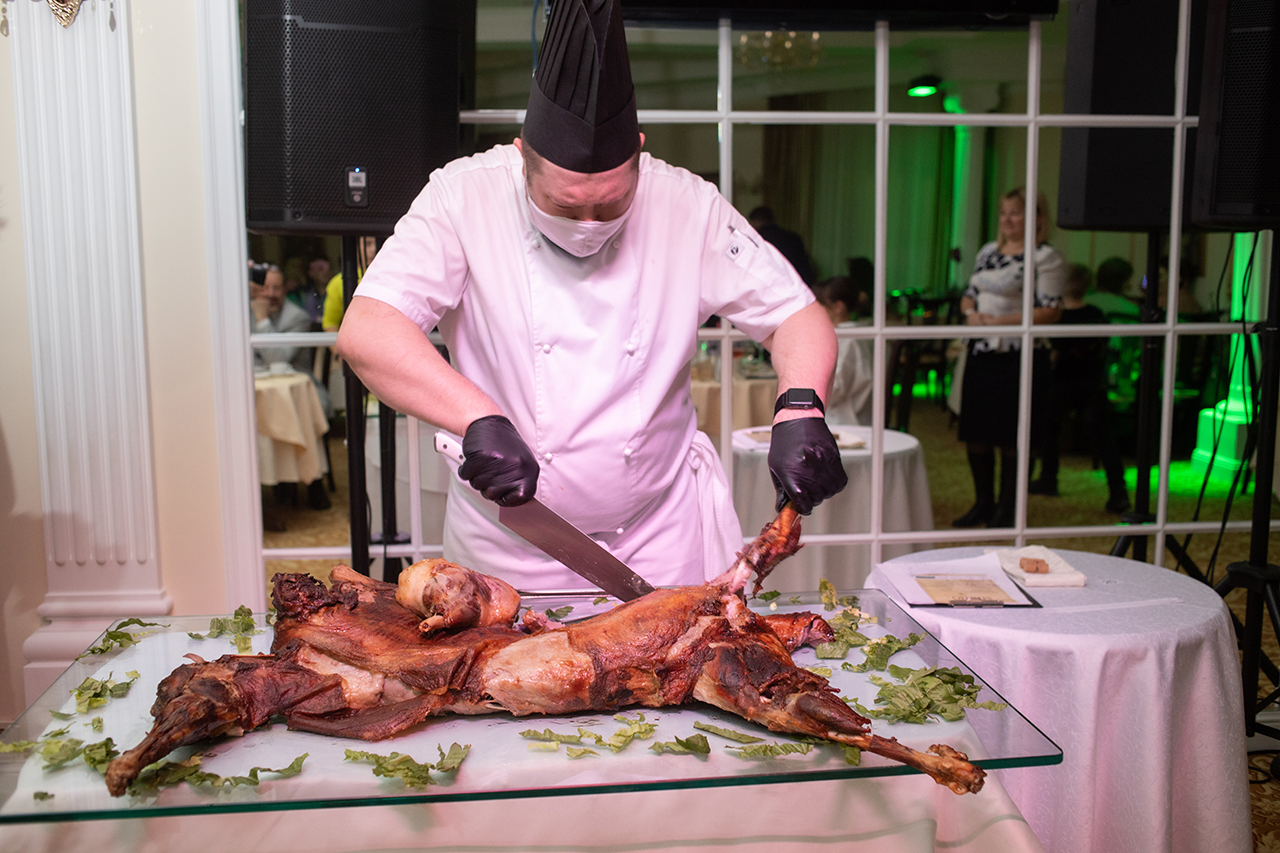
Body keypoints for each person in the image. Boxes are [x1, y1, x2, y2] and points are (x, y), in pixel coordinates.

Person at [337, 0, 845, 591]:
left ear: (639, 154)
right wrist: (477, 417)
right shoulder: (461, 198)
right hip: (509, 542)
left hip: (661, 535)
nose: (588, 224)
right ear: (522, 157)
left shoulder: (688, 205)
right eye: (564, 205)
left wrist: (801, 406)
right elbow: (369, 330)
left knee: (684, 653)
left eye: (611, 205)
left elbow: (794, 315)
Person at [953, 187, 1064, 529]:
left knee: (1013, 437)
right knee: (976, 433)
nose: (1007, 220)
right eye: (1004, 213)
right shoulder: (987, 251)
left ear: (1037, 218)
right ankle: (983, 504)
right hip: (981, 352)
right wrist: (971, 314)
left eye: (1016, 213)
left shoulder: (1046, 257)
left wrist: (998, 322)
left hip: (1021, 357)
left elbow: (1050, 311)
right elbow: (969, 294)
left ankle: (1008, 509)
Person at [1029, 264, 1130, 513]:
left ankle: (1048, 478)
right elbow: (1105, 349)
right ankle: (1118, 491)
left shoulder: (1056, 317)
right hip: (1092, 382)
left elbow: (1053, 356)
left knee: (1049, 428)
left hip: (1061, 382)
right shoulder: (1095, 314)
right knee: (1101, 435)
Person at [250, 263, 332, 510]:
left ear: (284, 290)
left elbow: (278, 359)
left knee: (295, 411)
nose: (270, 294)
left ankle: (313, 483)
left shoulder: (297, 317)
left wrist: (262, 320)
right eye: (264, 288)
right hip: (264, 389)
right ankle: (274, 485)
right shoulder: (242, 313)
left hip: (302, 389)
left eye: (276, 288)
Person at [813, 276, 873, 425]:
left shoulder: (847, 340)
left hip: (845, 420)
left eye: (819, 306)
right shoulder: (864, 333)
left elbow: (833, 390)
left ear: (838, 307)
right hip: (861, 415)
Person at [748, 206, 816, 286]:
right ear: (773, 219)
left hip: (767, 285)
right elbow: (804, 269)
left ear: (755, 222)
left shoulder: (756, 240)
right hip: (792, 284)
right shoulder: (793, 238)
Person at [322, 236, 378, 332]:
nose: (374, 249)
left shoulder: (396, 277)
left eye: (378, 243)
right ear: (355, 247)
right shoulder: (338, 283)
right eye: (367, 244)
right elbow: (330, 324)